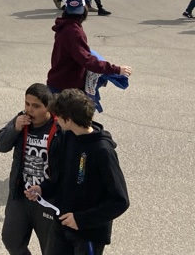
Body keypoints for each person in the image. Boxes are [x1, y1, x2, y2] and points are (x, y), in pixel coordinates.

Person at [25, 89, 129, 255]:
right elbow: (60, 177)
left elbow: (120, 201)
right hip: (61, 225)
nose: (56, 120)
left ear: (68, 119)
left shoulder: (102, 150)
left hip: (88, 234)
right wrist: (42, 189)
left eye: (58, 117)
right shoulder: (66, 137)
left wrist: (81, 219)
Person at [0, 84, 60, 255]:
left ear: (48, 107)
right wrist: (15, 128)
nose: (30, 110)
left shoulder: (59, 127)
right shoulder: (21, 120)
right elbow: (0, 146)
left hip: (47, 199)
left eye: (36, 106)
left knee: (50, 248)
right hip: (21, 195)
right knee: (11, 239)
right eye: (27, 104)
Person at [47, 0, 131, 94]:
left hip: (58, 81)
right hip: (67, 89)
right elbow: (86, 60)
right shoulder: (74, 32)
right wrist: (116, 70)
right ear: (84, 10)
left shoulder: (63, 26)